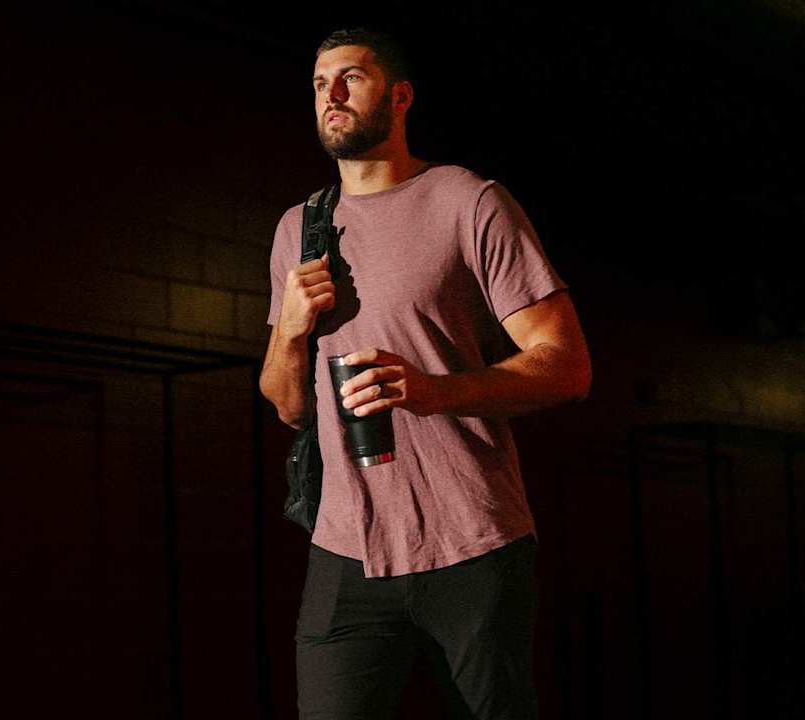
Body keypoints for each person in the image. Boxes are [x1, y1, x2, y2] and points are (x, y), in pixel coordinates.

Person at [259, 27, 592, 719]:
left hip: (471, 540)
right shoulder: (300, 226)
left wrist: (436, 391)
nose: (333, 96)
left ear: (401, 96)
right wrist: (291, 328)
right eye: (321, 84)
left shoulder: (468, 202)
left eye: (351, 77)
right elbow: (288, 405)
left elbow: (567, 366)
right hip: (346, 551)